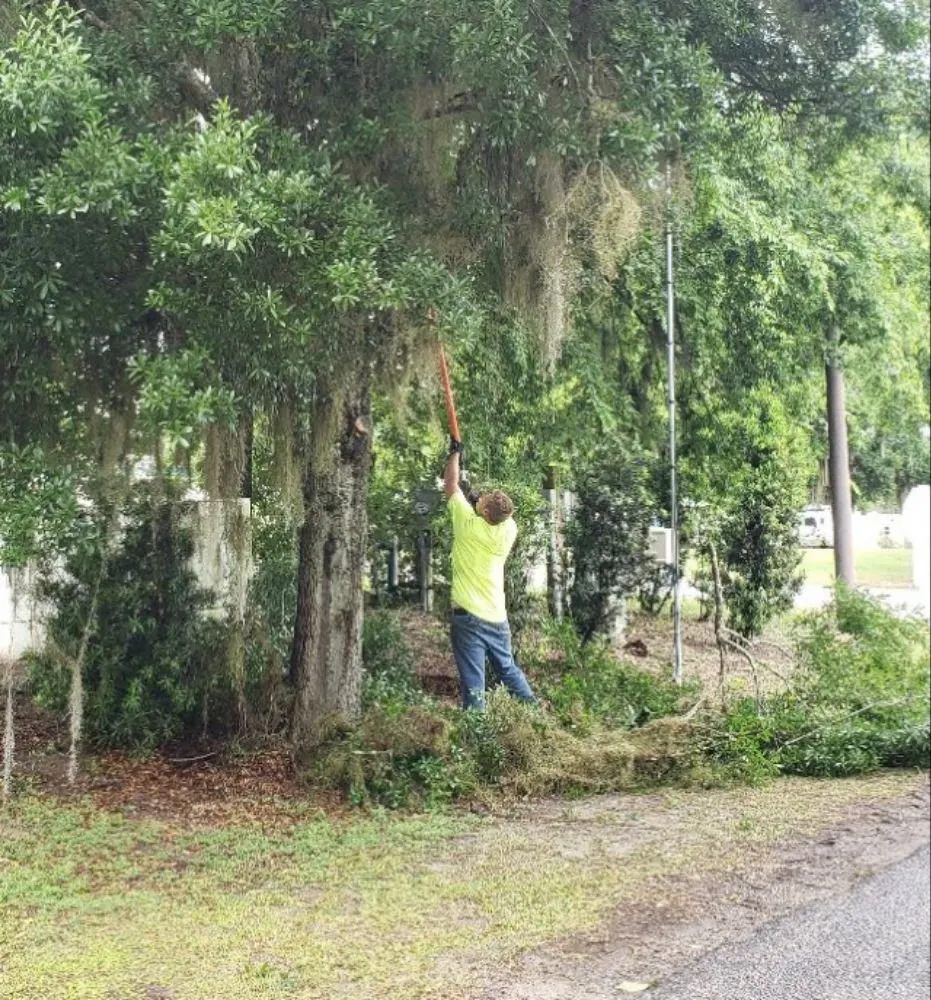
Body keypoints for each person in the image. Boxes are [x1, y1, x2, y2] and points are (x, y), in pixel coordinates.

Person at [444, 438, 537, 711]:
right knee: (507, 669)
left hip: (468, 617)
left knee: (474, 682)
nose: (479, 497)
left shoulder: (467, 525)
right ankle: (535, 715)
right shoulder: (509, 530)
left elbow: (450, 486)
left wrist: (454, 455)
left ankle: (477, 737)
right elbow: (477, 503)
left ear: (483, 512)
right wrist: (472, 497)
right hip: (497, 617)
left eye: (482, 500)